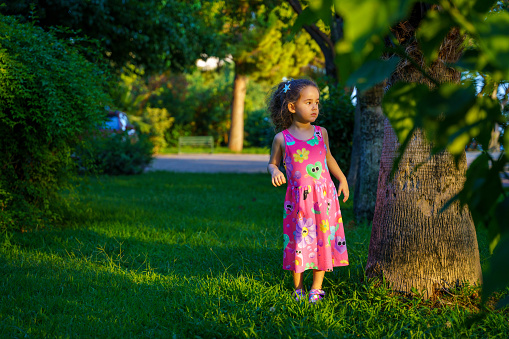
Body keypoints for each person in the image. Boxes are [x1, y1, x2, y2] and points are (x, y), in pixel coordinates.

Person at [267, 78, 350, 303]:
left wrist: (342, 178)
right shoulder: (281, 139)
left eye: (317, 102)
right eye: (309, 102)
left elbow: (328, 158)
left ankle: (316, 287)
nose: (315, 107)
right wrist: (275, 172)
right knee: (300, 240)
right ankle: (298, 288)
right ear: (292, 107)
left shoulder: (320, 133)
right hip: (299, 201)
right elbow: (272, 163)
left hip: (324, 198)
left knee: (321, 239)